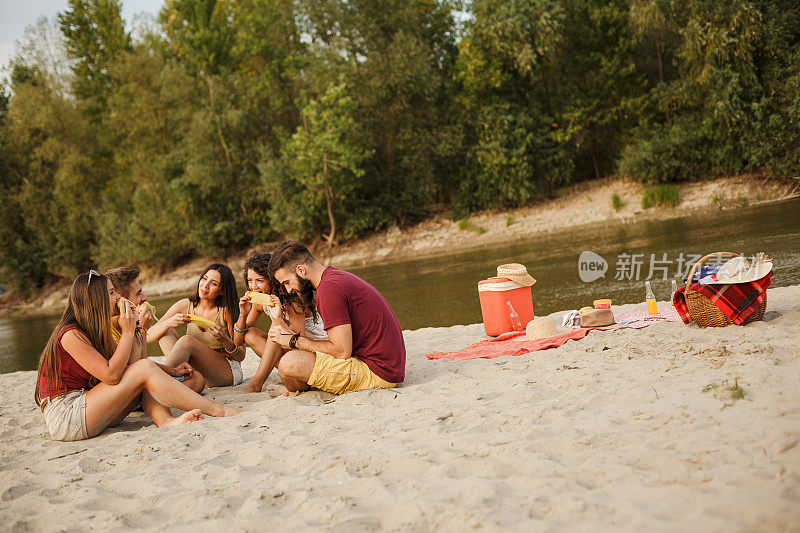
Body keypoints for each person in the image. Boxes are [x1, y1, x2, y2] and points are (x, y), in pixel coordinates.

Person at [35, 270, 241, 442]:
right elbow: (113, 376)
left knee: (180, 377)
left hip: (90, 405)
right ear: (97, 300)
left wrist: (137, 329)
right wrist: (127, 330)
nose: (117, 298)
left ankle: (167, 421)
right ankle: (217, 410)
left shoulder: (95, 329)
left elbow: (133, 366)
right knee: (145, 371)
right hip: (67, 415)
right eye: (112, 293)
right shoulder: (70, 333)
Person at [267, 242, 406, 395]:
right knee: (296, 358)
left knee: (288, 363)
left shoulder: (328, 290)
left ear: (301, 270)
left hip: (378, 372)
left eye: (287, 282)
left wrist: (293, 341)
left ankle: (299, 390)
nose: (288, 289)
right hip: (387, 366)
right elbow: (338, 343)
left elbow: (341, 351)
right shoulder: (333, 278)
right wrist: (281, 323)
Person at [234, 251, 327, 393]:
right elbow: (238, 341)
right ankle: (281, 375)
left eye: (260, 281)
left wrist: (278, 320)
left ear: (272, 280)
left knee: (276, 328)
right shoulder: (261, 300)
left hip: (315, 346)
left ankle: (256, 383)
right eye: (250, 280)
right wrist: (242, 314)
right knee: (250, 334)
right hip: (290, 346)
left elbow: (297, 341)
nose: (254, 287)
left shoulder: (292, 299)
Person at [105, 267, 205, 393]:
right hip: (127, 390)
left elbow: (142, 362)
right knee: (197, 380)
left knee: (195, 377)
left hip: (138, 378)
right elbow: (135, 370)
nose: (144, 298)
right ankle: (153, 399)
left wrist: (173, 370)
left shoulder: (127, 322)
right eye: (138, 293)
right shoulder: (111, 328)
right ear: (121, 300)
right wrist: (142, 329)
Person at [159, 264, 245, 387]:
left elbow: (241, 356)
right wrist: (169, 322)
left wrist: (225, 340)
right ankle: (171, 375)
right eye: (204, 278)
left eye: (213, 283)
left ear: (222, 291)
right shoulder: (186, 305)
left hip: (225, 372)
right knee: (165, 331)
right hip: (197, 370)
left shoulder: (226, 311)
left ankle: (158, 380)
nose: (205, 285)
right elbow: (149, 335)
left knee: (187, 341)